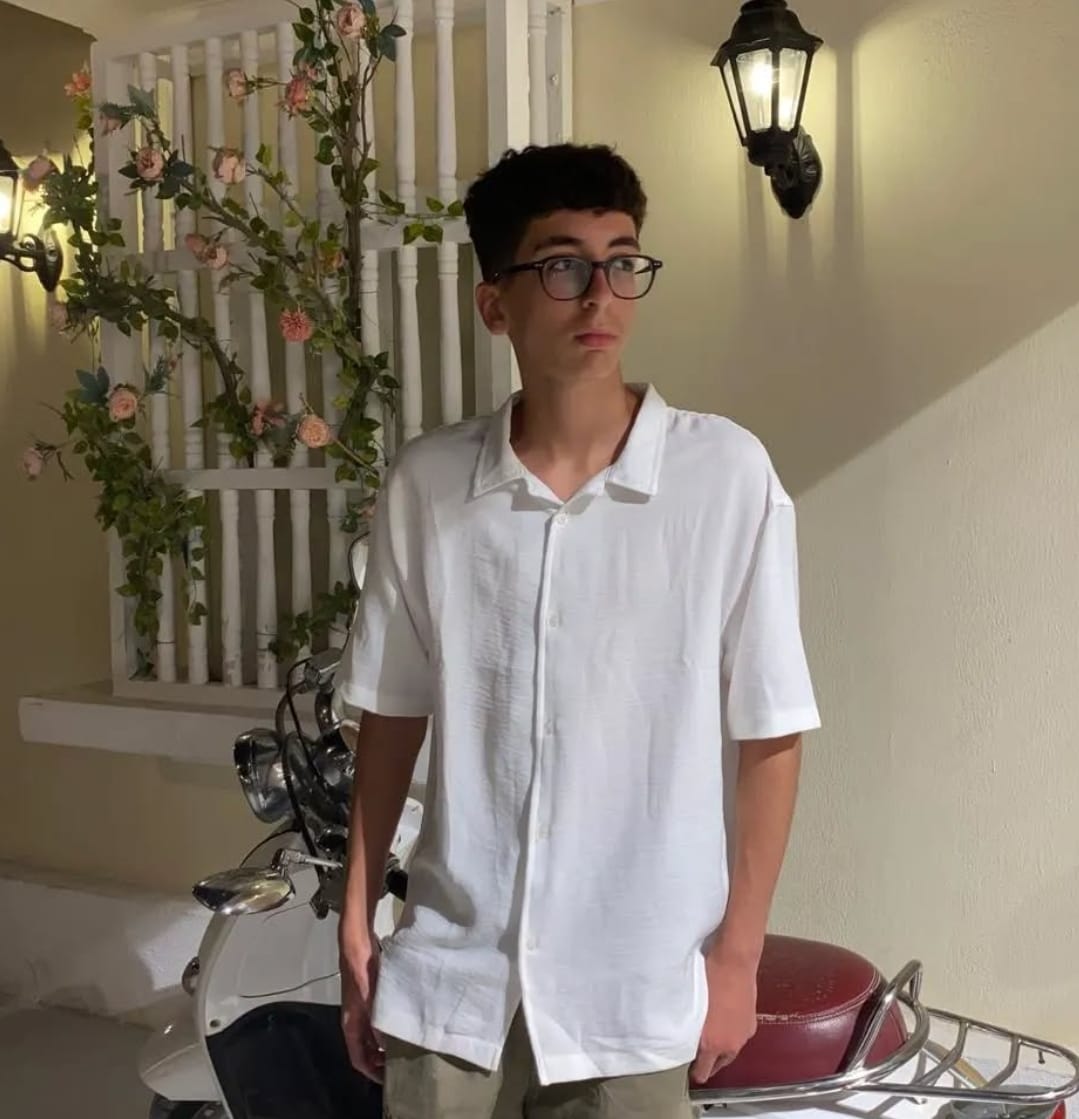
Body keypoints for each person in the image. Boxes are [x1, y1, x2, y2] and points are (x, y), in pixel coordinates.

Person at [335, 142, 820, 1119]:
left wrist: (737, 957)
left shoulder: (724, 478)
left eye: (621, 261)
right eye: (562, 265)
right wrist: (355, 914)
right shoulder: (429, 486)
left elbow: (769, 731)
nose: (600, 294)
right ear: (495, 303)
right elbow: (391, 712)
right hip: (453, 978)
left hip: (632, 987)